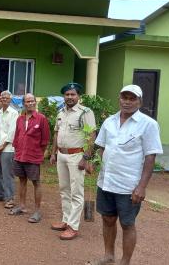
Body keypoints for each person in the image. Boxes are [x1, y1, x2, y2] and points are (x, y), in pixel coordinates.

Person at [87, 85, 162, 265]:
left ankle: (125, 261)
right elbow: (101, 146)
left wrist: (141, 187)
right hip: (106, 181)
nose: (127, 102)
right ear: (119, 98)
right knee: (107, 219)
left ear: (139, 102)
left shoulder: (148, 124)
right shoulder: (109, 121)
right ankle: (108, 255)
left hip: (128, 185)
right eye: (124, 97)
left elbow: (150, 157)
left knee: (127, 224)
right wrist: (94, 161)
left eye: (132, 98)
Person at [49, 83, 96, 240]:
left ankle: (73, 226)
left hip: (77, 156)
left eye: (72, 94)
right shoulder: (61, 112)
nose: (69, 97)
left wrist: (86, 158)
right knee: (64, 189)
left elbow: (91, 136)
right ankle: (65, 220)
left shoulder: (85, 112)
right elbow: (56, 133)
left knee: (76, 192)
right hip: (61, 155)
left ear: (78, 96)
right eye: (67, 94)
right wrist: (53, 152)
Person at [11, 93, 50, 223]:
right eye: (27, 101)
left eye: (32, 101)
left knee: (36, 182)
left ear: (35, 102)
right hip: (20, 155)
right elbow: (16, 136)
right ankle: (21, 206)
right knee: (21, 180)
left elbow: (45, 140)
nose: (30, 103)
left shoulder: (41, 119)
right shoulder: (20, 119)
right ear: (24, 104)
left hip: (33, 156)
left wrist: (39, 154)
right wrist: (17, 151)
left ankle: (37, 211)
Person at [0, 91, 18, 209]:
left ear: (10, 99)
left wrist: (3, 145)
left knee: (7, 174)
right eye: (2, 98)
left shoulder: (14, 113)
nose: (4, 100)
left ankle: (10, 198)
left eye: (6, 98)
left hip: (8, 148)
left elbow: (12, 132)